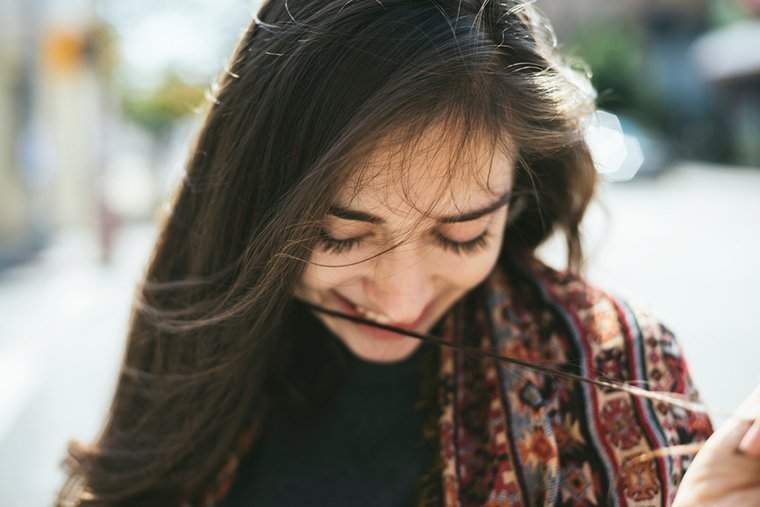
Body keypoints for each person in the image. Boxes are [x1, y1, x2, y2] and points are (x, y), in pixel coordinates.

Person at [55, 1, 760, 506]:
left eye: (461, 235)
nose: (397, 300)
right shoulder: (198, 341)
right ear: (252, 205)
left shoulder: (611, 366)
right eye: (340, 235)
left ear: (516, 199)